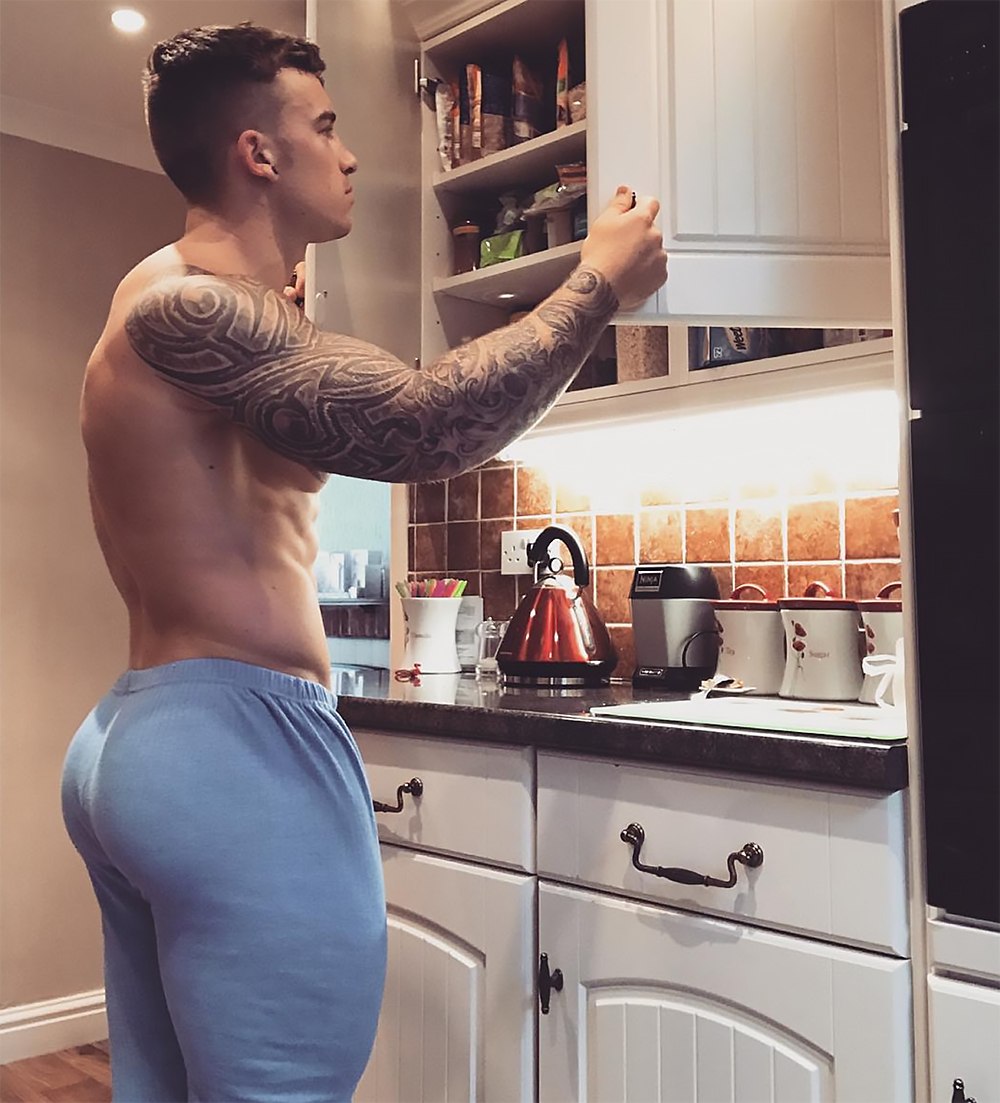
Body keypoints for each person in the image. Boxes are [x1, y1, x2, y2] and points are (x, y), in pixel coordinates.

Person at [60, 21, 667, 1103]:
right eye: (328, 127)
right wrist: (596, 282)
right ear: (259, 153)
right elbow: (426, 425)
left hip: (150, 739)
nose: (348, 156)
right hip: (234, 748)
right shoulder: (191, 307)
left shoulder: (160, 291)